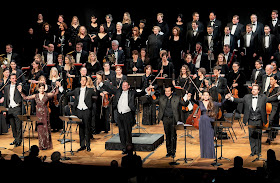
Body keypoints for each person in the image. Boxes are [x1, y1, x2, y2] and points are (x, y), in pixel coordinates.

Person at [225, 84, 280, 156]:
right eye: (252, 89)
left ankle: (258, 152)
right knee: (251, 136)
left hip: (259, 119)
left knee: (258, 136)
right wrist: (231, 98)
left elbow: (271, 99)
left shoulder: (262, 97)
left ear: (258, 91)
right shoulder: (247, 97)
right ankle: (253, 151)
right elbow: (239, 100)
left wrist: (278, 97)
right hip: (250, 119)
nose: (253, 90)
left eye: (255, 89)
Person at [147, 86, 191, 158]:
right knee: (167, 135)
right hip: (165, 119)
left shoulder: (176, 98)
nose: (167, 92)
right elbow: (152, 102)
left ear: (171, 92)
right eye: (166, 91)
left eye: (168, 91)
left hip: (173, 119)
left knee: (173, 136)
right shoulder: (162, 98)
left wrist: (188, 99)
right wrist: (149, 95)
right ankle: (168, 151)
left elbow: (184, 104)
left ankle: (173, 151)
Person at [18, 82, 58, 150]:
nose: (41, 90)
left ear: (44, 89)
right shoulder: (35, 95)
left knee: (46, 129)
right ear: (38, 89)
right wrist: (21, 92)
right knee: (40, 129)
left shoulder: (47, 95)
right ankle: (41, 145)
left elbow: (55, 93)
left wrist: (57, 87)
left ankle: (47, 145)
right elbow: (26, 97)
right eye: (40, 88)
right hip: (38, 114)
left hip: (45, 113)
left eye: (43, 88)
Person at [65, 76, 97, 152]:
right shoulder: (76, 90)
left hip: (86, 111)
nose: (82, 81)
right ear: (80, 81)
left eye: (84, 80)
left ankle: (88, 146)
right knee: (81, 129)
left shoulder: (90, 90)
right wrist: (60, 88)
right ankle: (82, 145)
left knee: (87, 129)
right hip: (79, 111)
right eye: (81, 80)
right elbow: (67, 94)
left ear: (86, 82)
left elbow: (96, 95)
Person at [193, 90, 225, 159]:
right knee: (203, 138)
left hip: (210, 121)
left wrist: (226, 98)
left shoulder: (212, 103)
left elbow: (221, 104)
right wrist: (193, 93)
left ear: (209, 96)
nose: (205, 96)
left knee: (210, 137)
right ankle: (204, 155)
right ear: (202, 96)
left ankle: (210, 155)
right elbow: (193, 100)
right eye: (204, 95)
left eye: (207, 95)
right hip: (202, 121)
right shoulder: (200, 102)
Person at [113, 81, 137, 155]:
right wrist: (101, 84)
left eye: (125, 85)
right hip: (120, 115)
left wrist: (146, 90)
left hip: (128, 115)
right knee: (121, 132)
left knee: (128, 132)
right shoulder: (118, 92)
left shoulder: (132, 93)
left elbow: (140, 93)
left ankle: (129, 148)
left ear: (128, 86)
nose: (124, 86)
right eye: (123, 85)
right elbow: (110, 89)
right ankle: (123, 148)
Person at [3, 73, 23, 147]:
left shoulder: (19, 86)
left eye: (15, 78)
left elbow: (24, 92)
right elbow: (5, 99)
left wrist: (21, 89)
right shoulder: (7, 87)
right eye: (13, 78)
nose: (14, 79)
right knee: (13, 126)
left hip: (17, 108)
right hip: (10, 108)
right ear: (10, 79)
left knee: (18, 126)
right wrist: (5, 110)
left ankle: (19, 140)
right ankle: (15, 139)